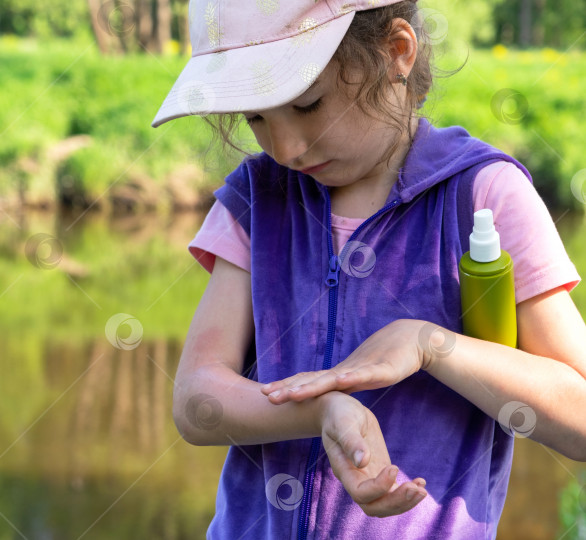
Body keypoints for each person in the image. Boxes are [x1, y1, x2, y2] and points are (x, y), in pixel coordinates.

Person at [151, 0, 586, 538]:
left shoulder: (483, 197)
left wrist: (430, 344)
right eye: (256, 117)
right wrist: (319, 412)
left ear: (396, 52)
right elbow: (196, 401)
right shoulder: (256, 201)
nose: (285, 147)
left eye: (308, 105)